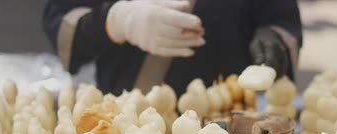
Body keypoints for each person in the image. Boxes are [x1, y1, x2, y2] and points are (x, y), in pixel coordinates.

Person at [43, 0, 302, 96]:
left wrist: (273, 37)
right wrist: (115, 20)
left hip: (229, 130)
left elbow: (279, 16)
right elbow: (63, 20)